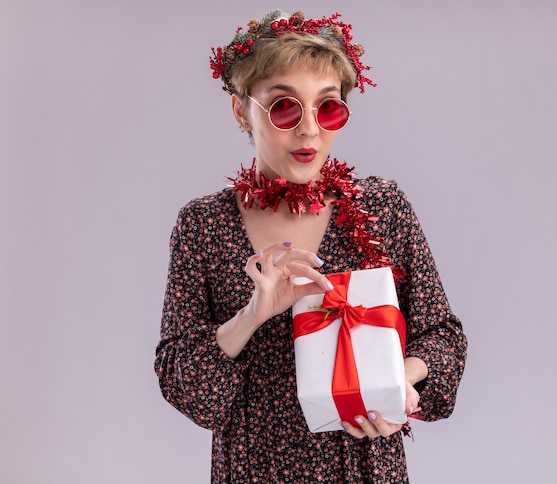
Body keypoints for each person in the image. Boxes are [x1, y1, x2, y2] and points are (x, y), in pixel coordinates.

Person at [155, 9, 467, 483]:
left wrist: (397, 385)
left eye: (328, 107)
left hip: (365, 468)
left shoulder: (382, 208)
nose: (309, 131)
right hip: (253, 471)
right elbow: (191, 390)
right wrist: (251, 315)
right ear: (241, 111)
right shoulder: (204, 226)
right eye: (284, 107)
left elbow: (443, 338)